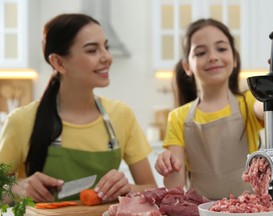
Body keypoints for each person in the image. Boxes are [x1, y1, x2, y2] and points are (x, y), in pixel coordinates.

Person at [0, 13, 157, 203]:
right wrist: (18, 188)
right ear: (59, 62)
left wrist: (128, 189)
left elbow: (151, 189)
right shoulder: (21, 120)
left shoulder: (121, 115)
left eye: (105, 47)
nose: (107, 57)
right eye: (92, 50)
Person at [154, 18, 273, 200]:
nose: (213, 57)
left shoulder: (249, 102)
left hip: (248, 210)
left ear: (234, 59)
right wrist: (168, 166)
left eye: (221, 49)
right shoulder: (178, 117)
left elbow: (269, 106)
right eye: (201, 52)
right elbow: (175, 186)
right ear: (187, 66)